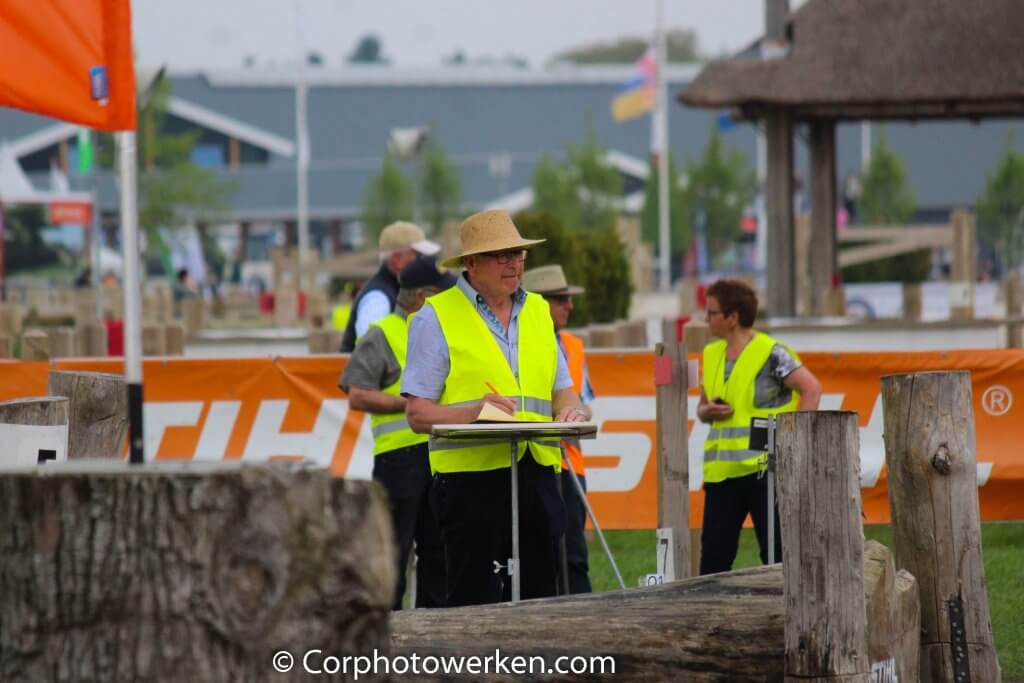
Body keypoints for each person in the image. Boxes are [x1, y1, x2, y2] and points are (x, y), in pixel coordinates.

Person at [402, 209, 590, 607]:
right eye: (503, 254)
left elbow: (563, 390)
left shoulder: (539, 311)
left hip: (538, 472)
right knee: (474, 602)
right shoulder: (435, 318)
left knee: (544, 598)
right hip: (471, 483)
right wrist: (475, 410)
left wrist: (572, 412)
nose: (515, 262)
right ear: (472, 263)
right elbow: (418, 414)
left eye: (519, 253)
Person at [339, 255, 455, 609]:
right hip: (399, 461)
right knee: (393, 553)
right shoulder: (384, 333)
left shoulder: (439, 332)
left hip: (438, 457)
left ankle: (434, 638)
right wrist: (408, 405)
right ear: (422, 297)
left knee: (438, 553)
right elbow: (356, 392)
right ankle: (386, 636)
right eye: (441, 295)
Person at [697, 278, 822, 575]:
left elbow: (811, 389)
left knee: (777, 556)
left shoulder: (772, 352)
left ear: (732, 317)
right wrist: (707, 411)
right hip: (722, 474)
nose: (706, 319)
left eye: (712, 312)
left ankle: (784, 616)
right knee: (714, 559)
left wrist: (794, 442)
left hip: (765, 470)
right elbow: (702, 409)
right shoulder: (711, 354)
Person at [522, 264, 594, 595]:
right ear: (537, 303)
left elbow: (584, 401)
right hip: (533, 460)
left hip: (570, 465)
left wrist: (574, 413)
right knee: (539, 556)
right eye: (560, 299)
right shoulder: (519, 344)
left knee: (575, 558)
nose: (570, 305)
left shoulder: (574, 347)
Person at [340, 222, 439, 352]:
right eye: (418, 255)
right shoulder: (378, 298)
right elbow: (370, 353)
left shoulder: (390, 290)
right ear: (397, 259)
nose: (424, 262)